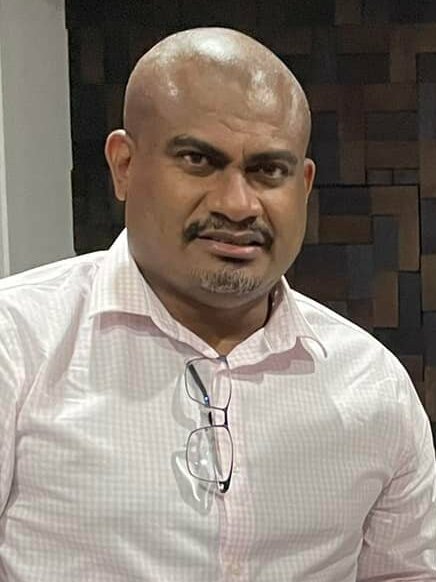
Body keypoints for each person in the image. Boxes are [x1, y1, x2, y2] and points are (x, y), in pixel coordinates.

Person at [0, 27, 434, 582]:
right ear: (124, 165)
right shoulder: (19, 345)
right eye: (199, 160)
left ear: (304, 185)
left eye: (268, 171)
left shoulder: (373, 385)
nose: (237, 204)